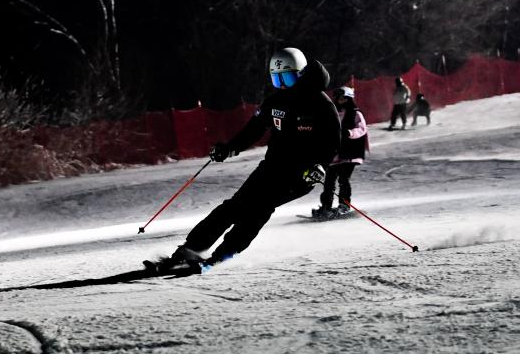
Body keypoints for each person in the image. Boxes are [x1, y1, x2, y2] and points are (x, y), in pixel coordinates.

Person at [156, 47, 340, 272]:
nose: (282, 84)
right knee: (234, 206)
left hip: (300, 174)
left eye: (288, 78)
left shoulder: (320, 104)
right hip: (272, 167)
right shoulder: (275, 100)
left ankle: (223, 253)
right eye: (277, 78)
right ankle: (190, 249)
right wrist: (230, 148)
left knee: (259, 207)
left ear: (301, 75)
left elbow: (332, 141)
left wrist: (320, 165)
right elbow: (253, 129)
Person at [313, 86, 368, 219]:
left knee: (344, 179)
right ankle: (326, 206)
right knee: (329, 181)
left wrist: (349, 132)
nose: (341, 100)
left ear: (349, 99)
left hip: (350, 153)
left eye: (344, 98)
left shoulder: (355, 113)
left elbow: (362, 129)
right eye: (338, 98)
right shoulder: (332, 113)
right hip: (334, 154)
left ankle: (344, 205)